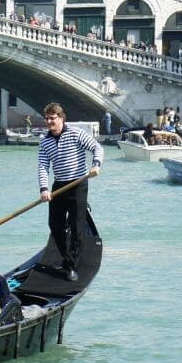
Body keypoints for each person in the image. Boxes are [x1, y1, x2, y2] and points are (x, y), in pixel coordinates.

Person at [38, 102, 102, 282]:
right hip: (59, 186)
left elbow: (97, 148)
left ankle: (71, 265)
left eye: (52, 118)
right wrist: (44, 189)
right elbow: (43, 166)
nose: (49, 122)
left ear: (61, 118)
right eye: (47, 118)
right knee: (54, 225)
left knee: (76, 227)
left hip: (78, 184)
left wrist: (96, 165)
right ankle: (66, 256)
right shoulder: (44, 141)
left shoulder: (76, 134)